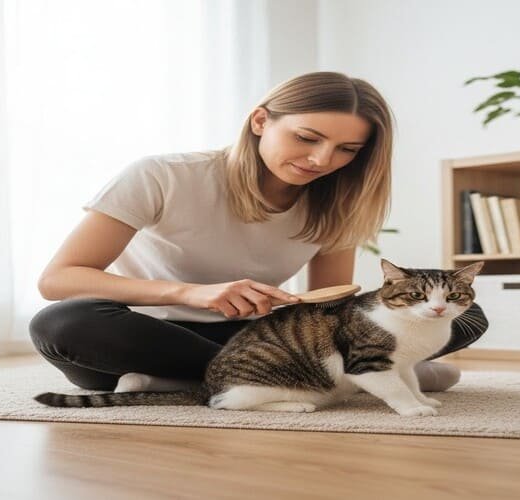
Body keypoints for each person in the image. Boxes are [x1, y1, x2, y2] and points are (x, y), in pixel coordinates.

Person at [29, 71, 489, 395]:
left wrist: (299, 306)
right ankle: (344, 377)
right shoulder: (161, 175)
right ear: (260, 121)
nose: (322, 160)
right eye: (307, 138)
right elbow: (59, 279)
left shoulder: (338, 201)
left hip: (257, 338)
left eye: (347, 149)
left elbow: (328, 303)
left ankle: (186, 383)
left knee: (467, 315)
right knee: (63, 324)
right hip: (151, 335)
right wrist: (192, 294)